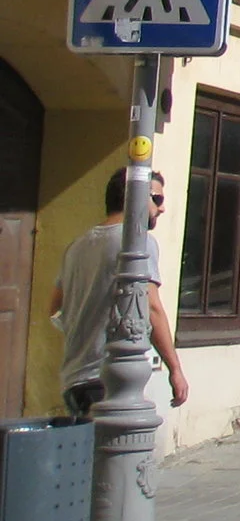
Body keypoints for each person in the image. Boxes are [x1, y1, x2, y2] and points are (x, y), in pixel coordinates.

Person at [51, 168, 186, 419]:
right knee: (124, 443)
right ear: (133, 197)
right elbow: (151, 307)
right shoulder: (138, 242)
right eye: (156, 199)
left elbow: (55, 309)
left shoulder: (77, 246)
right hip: (108, 378)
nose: (162, 208)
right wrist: (175, 369)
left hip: (73, 378)